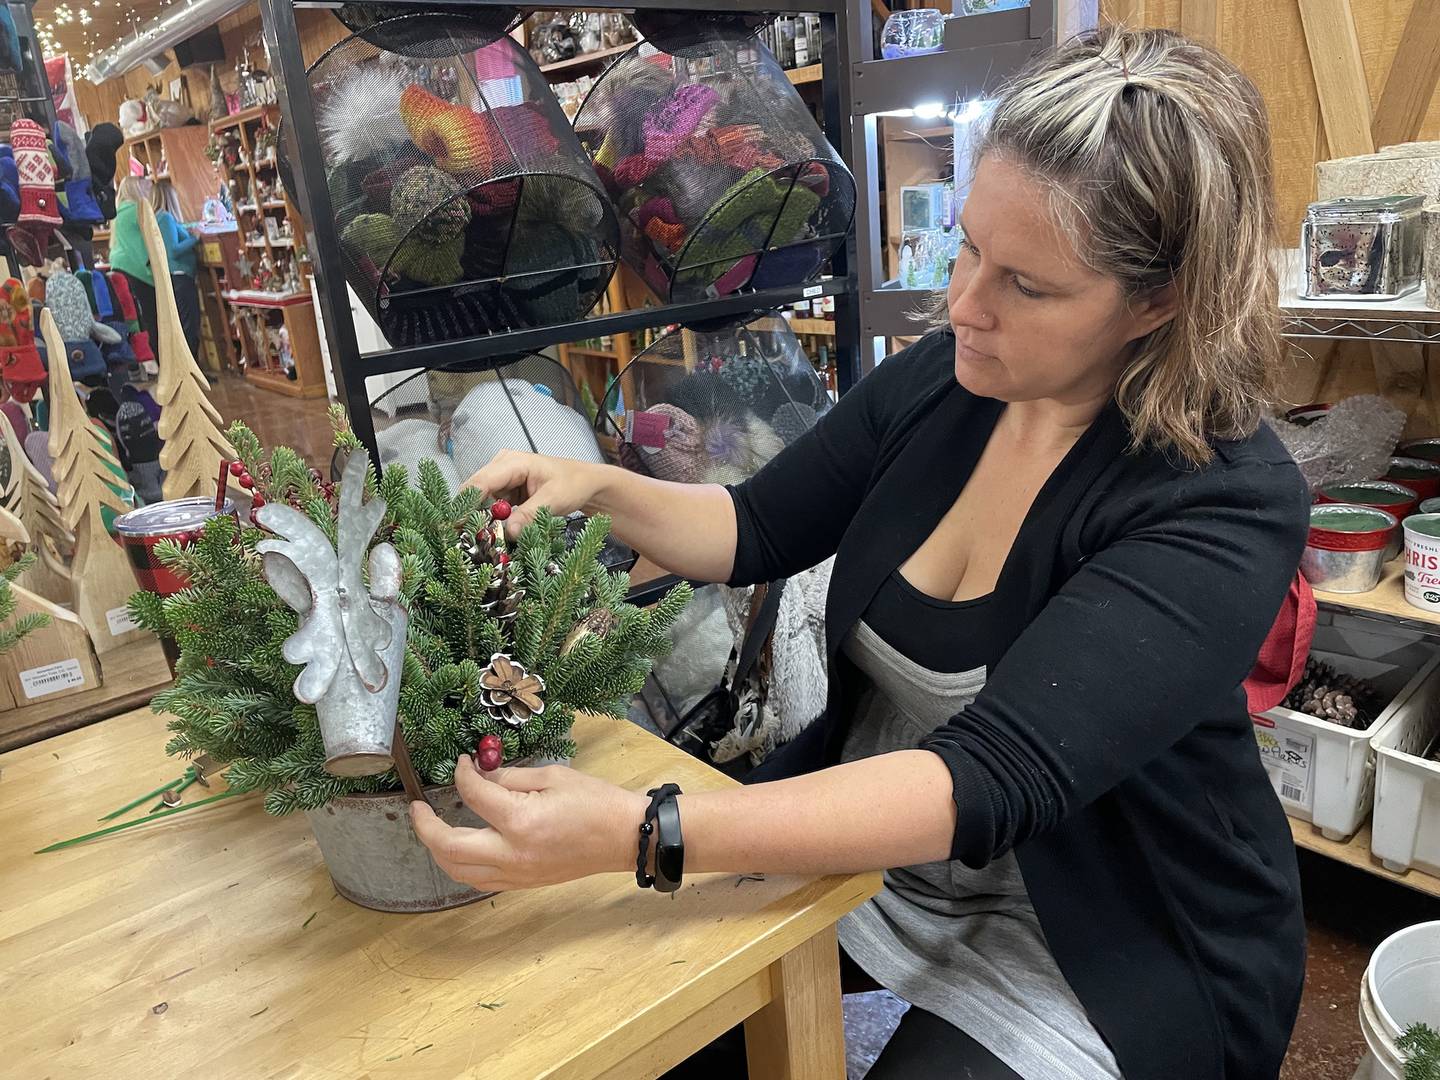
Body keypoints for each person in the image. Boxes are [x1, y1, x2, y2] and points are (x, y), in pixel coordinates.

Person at [413, 27, 1308, 1080]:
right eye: (968, 248)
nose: (964, 304)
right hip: (889, 859)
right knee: (651, 1031)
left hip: (1111, 927)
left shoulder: (1221, 498)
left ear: (1158, 301)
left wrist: (647, 831)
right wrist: (598, 488)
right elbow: (757, 527)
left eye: (1026, 285)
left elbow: (986, 777)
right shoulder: (949, 383)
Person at [107, 175, 201, 370]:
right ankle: (167, 366)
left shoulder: (120, 212)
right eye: (145, 186)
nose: (149, 190)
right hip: (139, 270)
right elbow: (161, 233)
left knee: (140, 321)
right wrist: (193, 233)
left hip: (121, 267)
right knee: (155, 320)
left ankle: (156, 365)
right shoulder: (138, 210)